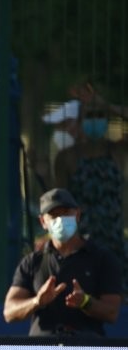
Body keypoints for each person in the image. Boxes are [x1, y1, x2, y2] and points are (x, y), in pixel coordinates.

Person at [3, 188, 122, 337]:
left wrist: (85, 302)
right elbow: (9, 312)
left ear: (77, 215)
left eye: (66, 213)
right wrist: (37, 301)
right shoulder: (32, 262)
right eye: (53, 215)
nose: (60, 220)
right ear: (43, 222)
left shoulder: (102, 259)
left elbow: (112, 312)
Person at [54, 83, 128, 293]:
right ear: (80, 121)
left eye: (99, 115)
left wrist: (109, 106)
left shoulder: (117, 152)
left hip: (113, 242)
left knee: (114, 299)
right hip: (81, 243)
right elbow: (59, 205)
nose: (95, 120)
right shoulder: (67, 158)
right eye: (89, 115)